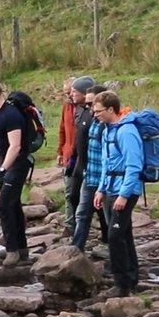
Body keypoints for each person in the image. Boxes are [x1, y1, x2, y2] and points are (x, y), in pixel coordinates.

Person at [93, 91, 143, 297]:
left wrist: (124, 195)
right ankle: (131, 279)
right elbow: (107, 163)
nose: (95, 115)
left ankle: (121, 283)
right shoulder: (107, 131)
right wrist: (101, 189)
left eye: (98, 111)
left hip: (126, 190)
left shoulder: (127, 132)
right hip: (111, 188)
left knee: (114, 236)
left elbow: (134, 165)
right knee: (124, 234)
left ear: (111, 109)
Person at [0, 79, 30, 267]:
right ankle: (21, 249)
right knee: (14, 204)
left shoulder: (11, 114)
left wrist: (4, 168)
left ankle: (12, 251)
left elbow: (15, 146)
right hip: (4, 163)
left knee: (5, 205)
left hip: (17, 164)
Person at [71, 84, 111, 251]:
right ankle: (75, 250)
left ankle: (115, 254)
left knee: (110, 218)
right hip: (90, 174)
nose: (87, 108)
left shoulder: (108, 125)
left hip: (107, 180)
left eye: (90, 104)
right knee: (82, 214)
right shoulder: (93, 120)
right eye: (86, 104)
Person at [64, 76, 96, 238]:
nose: (71, 94)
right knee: (74, 197)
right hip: (79, 162)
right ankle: (76, 234)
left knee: (91, 205)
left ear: (85, 94)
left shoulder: (95, 114)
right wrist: (72, 160)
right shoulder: (80, 111)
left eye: (75, 92)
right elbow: (78, 138)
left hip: (93, 166)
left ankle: (80, 242)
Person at [56, 77, 77, 233]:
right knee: (69, 191)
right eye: (66, 93)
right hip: (69, 155)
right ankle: (70, 225)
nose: (69, 96)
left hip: (84, 157)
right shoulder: (67, 106)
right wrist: (60, 152)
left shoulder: (89, 108)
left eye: (70, 92)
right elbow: (62, 129)